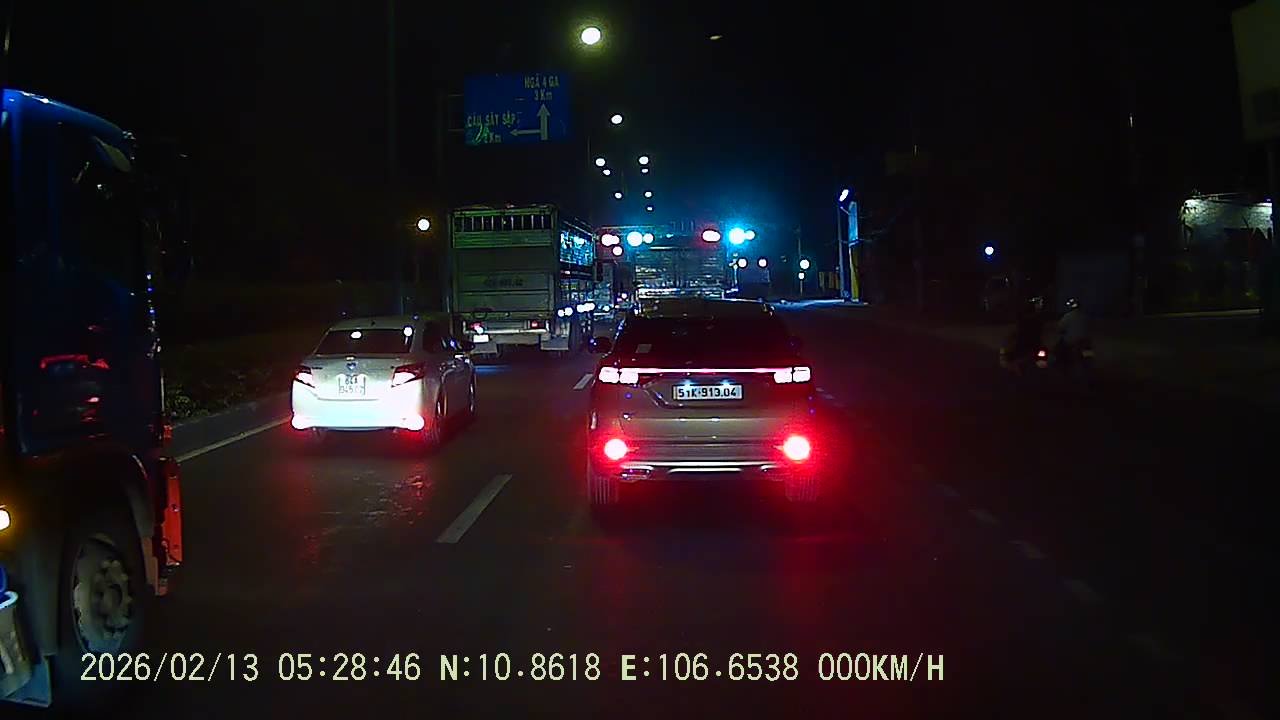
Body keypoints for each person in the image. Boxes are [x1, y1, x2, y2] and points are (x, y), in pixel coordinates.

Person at [1001, 296, 1044, 373]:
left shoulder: (1023, 320)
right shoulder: (1038, 319)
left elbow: (1016, 332)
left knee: (1009, 354)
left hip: (1023, 345)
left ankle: (1015, 369)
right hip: (1036, 344)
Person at [1056, 297, 1092, 366]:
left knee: (1059, 348)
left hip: (1071, 340)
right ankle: (1088, 363)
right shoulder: (1085, 316)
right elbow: (1089, 327)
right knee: (1088, 349)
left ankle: (1061, 363)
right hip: (1084, 340)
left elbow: (1060, 328)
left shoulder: (1067, 316)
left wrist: (1061, 331)